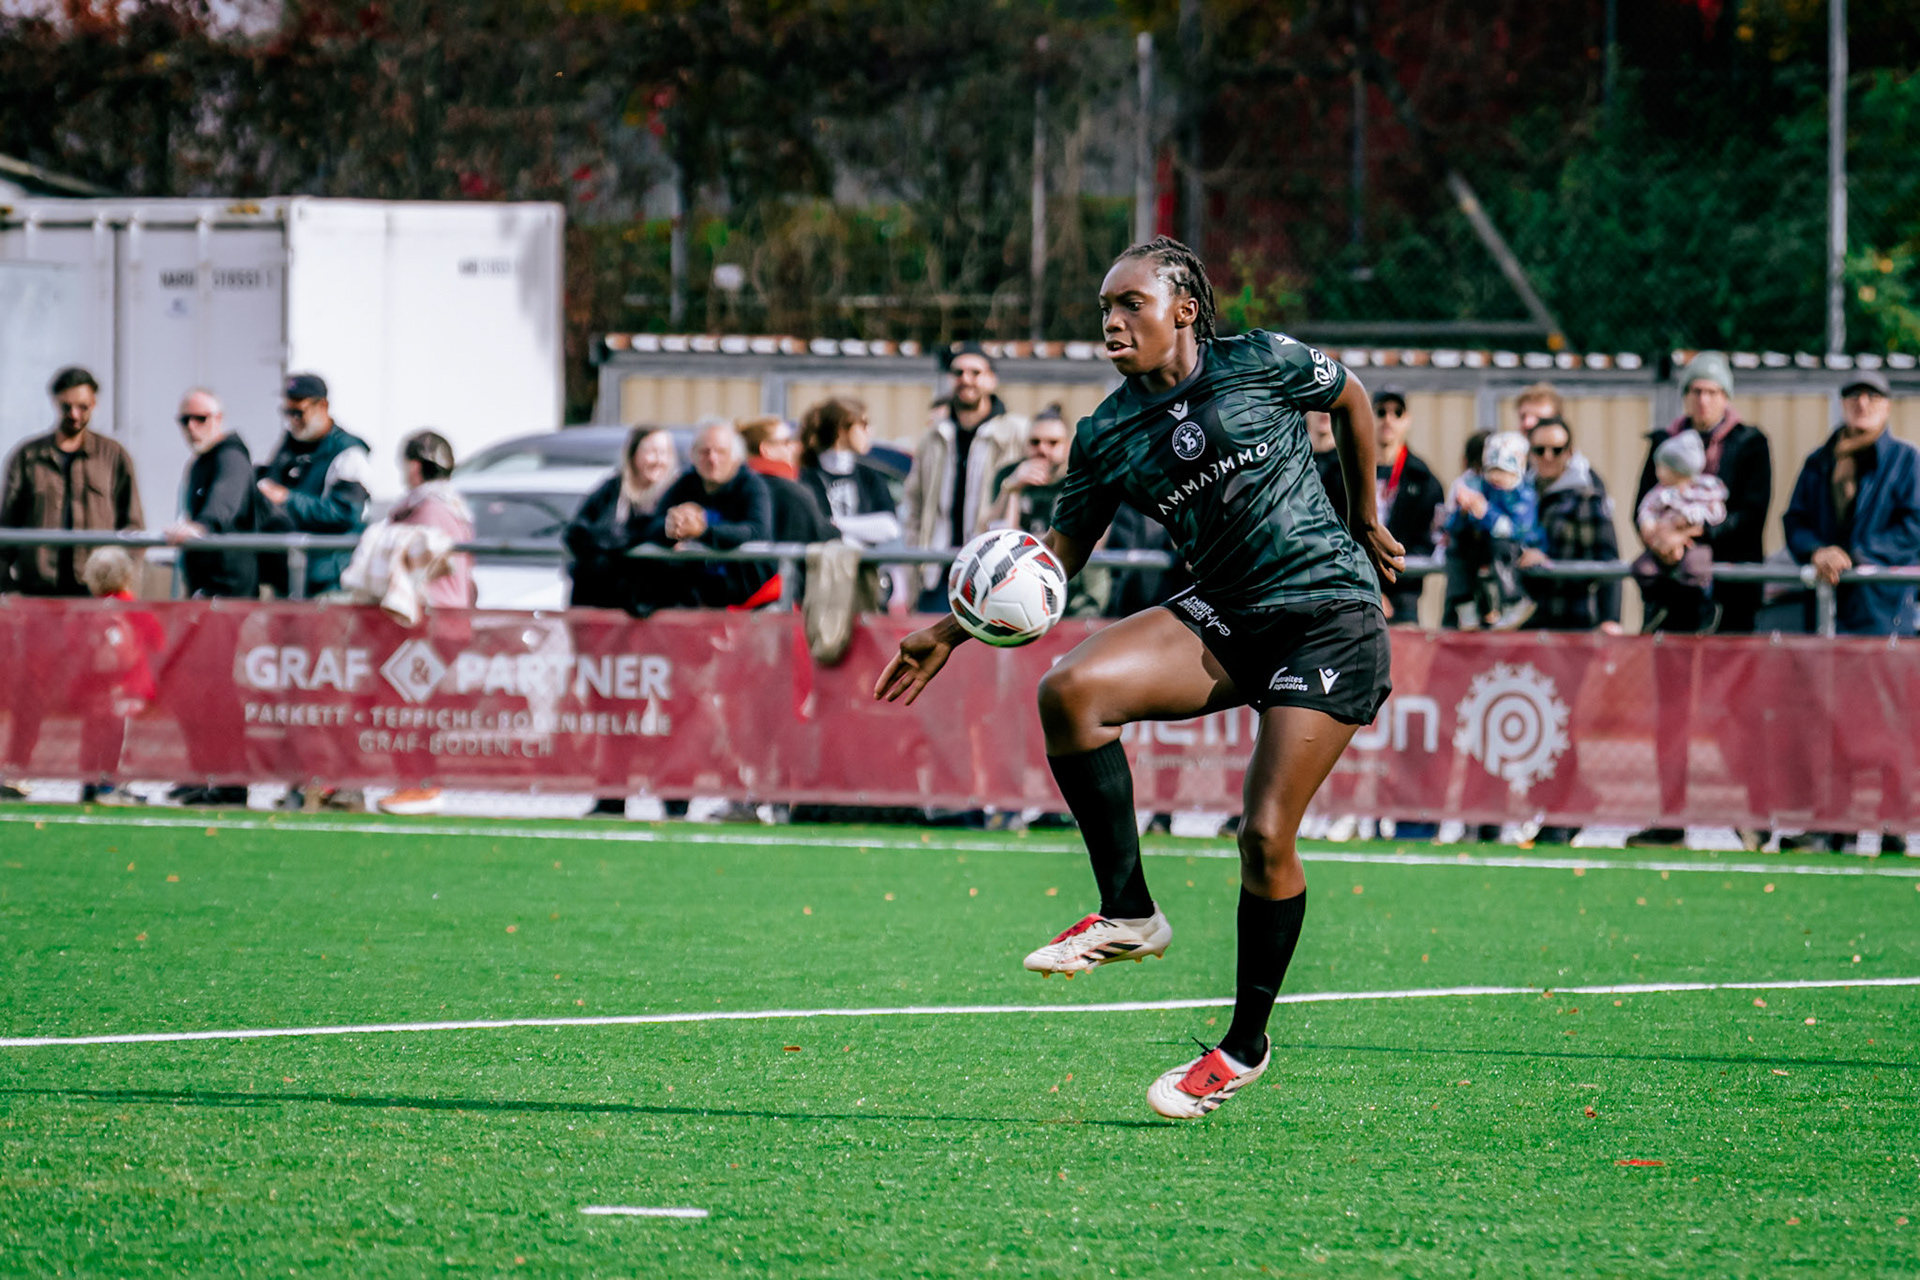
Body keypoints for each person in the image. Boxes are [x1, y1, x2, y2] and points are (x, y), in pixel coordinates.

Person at [875, 237, 1403, 1120]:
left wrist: (1362, 514)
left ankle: (1242, 1048)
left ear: (1185, 308)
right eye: (1103, 311)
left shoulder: (1261, 362)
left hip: (1330, 617)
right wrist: (949, 631)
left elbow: (1349, 398)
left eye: (1131, 305)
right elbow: (1056, 562)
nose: (1112, 324)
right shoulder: (1106, 433)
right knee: (1071, 694)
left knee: (1264, 833)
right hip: (1227, 612)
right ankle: (1129, 913)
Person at [1780, 369, 1920, 853]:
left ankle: (1892, 821)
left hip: (1885, 611)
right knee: (1829, 717)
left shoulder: (1905, 462)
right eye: (1854, 395)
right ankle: (1833, 822)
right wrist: (1818, 550)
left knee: (1886, 718)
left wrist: (1857, 554)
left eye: (1872, 396)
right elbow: (1794, 522)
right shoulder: (1821, 461)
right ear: (1842, 403)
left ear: (1886, 406)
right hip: (1828, 611)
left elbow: (1914, 528)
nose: (1862, 404)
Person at [1634, 353, 1771, 632]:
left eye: (1712, 391)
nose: (1703, 400)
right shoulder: (1665, 443)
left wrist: (1692, 532)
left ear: (1725, 396)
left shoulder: (1751, 443)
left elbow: (1751, 514)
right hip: (1669, 581)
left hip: (1730, 592)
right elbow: (1643, 503)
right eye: (1696, 391)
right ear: (1685, 395)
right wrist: (1659, 536)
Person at [379, 432, 476, 817]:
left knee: (412, 703)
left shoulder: (429, 507)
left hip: (431, 620)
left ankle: (421, 783)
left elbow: (416, 564)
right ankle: (416, 782)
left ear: (415, 465)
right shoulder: (450, 505)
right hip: (442, 620)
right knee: (413, 700)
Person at [900, 344, 1028, 610]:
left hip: (996, 572)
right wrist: (915, 560)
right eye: (958, 372)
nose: (966, 379)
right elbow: (914, 503)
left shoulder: (1016, 433)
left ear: (991, 379)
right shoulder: (933, 438)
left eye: (975, 372)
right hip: (939, 573)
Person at [0, 366, 145, 598]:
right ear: (55, 403)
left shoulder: (112, 456)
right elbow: (6, 525)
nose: (74, 414)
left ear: (94, 404)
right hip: (38, 591)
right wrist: (6, 585)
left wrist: (121, 581)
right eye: (66, 407)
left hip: (97, 591)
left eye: (83, 407)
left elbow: (133, 526)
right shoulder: (27, 457)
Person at [255, 373, 371, 599]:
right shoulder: (289, 444)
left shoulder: (349, 453)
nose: (292, 420)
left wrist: (288, 499)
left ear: (323, 406)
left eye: (299, 412)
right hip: (288, 578)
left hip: (327, 584)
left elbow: (346, 514)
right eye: (287, 412)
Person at [989, 406, 1107, 617]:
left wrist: (1029, 544)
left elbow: (1095, 542)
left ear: (1068, 446)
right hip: (1019, 590)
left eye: (1052, 443)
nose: (1042, 449)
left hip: (1075, 594)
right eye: (1035, 442)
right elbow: (998, 536)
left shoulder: (1082, 477)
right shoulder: (1009, 475)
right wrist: (1012, 488)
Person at [644, 421, 775, 608]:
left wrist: (702, 531)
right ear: (693, 455)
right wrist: (672, 527)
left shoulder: (752, 485)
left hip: (748, 597)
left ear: (736, 458)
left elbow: (757, 531)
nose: (712, 459)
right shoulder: (685, 484)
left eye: (720, 452)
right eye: (705, 452)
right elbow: (652, 525)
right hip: (695, 597)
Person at [1524, 415, 1622, 634]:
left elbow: (1608, 559)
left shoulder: (1587, 496)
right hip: (1527, 623)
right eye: (1540, 450)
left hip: (1573, 621)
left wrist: (1610, 618)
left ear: (1569, 452)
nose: (1547, 457)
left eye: (1556, 450)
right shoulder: (1518, 496)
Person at [565, 425, 678, 612]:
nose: (658, 460)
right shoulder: (611, 491)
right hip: (604, 602)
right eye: (651, 452)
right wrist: (628, 538)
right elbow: (577, 533)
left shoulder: (678, 492)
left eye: (664, 453)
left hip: (658, 607)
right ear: (633, 455)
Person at [165, 388, 257, 600]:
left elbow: (224, 502)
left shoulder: (231, 457)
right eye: (184, 420)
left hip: (230, 592)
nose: (191, 426)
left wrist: (200, 526)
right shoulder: (199, 462)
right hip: (206, 587)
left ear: (218, 418)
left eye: (200, 419)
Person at [1444, 430, 1542, 630]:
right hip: (1483, 550)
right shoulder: (1481, 488)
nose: (1497, 477)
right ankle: (1465, 603)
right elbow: (1452, 528)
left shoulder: (1524, 496)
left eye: (1504, 471)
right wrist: (1463, 513)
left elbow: (1516, 530)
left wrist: (1485, 512)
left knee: (1500, 547)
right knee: (1458, 549)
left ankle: (1514, 600)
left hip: (1514, 550)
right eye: (1492, 470)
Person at [1633, 431, 1729, 633]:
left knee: (1695, 567)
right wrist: (1650, 529)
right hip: (1660, 544)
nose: (1657, 471)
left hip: (1692, 543)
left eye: (1662, 467)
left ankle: (1703, 606)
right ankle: (1655, 604)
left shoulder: (1704, 490)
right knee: (1643, 568)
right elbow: (1645, 511)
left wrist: (1687, 523)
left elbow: (1717, 514)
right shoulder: (1659, 492)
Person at [1370, 385, 1443, 627]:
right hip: (1353, 596)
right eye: (1381, 412)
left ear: (1407, 420)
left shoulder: (1423, 479)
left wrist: (1389, 581)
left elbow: (1428, 542)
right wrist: (1368, 587)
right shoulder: (1341, 471)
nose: (1388, 420)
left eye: (1397, 412)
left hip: (1403, 601)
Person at [798, 397, 901, 548]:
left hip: (864, 568)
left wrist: (836, 524)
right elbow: (814, 528)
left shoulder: (869, 475)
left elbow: (889, 527)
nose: (870, 432)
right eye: (864, 425)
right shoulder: (808, 476)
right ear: (841, 429)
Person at [730, 414, 836, 546]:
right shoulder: (792, 491)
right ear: (767, 449)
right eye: (787, 441)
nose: (795, 447)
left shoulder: (735, 483)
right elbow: (818, 534)